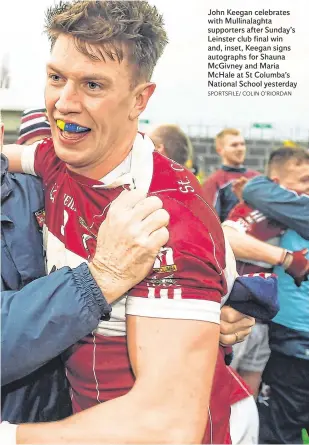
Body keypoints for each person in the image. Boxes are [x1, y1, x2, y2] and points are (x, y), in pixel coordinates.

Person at [2, 2, 265, 443]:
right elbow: (15, 156)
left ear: (140, 98)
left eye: (92, 84)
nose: (64, 103)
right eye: (55, 77)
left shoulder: (164, 218)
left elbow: (166, 426)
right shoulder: (58, 159)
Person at [0, 110, 172, 423]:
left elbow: (137, 249)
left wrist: (214, 300)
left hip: (69, 413)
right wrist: (98, 280)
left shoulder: (37, 189)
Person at [222, 147, 309, 397]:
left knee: (248, 399)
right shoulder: (261, 210)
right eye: (304, 180)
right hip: (234, 316)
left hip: (265, 323)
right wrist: (286, 258)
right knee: (222, 394)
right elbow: (224, 237)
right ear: (278, 186)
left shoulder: (286, 211)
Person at [240, 150, 309, 444]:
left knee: (279, 432)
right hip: (292, 339)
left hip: (296, 342)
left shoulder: (301, 210)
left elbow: (254, 188)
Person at [202, 128, 259, 222]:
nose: (240, 149)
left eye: (242, 144)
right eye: (234, 145)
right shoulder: (214, 182)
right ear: (220, 150)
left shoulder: (257, 178)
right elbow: (210, 222)